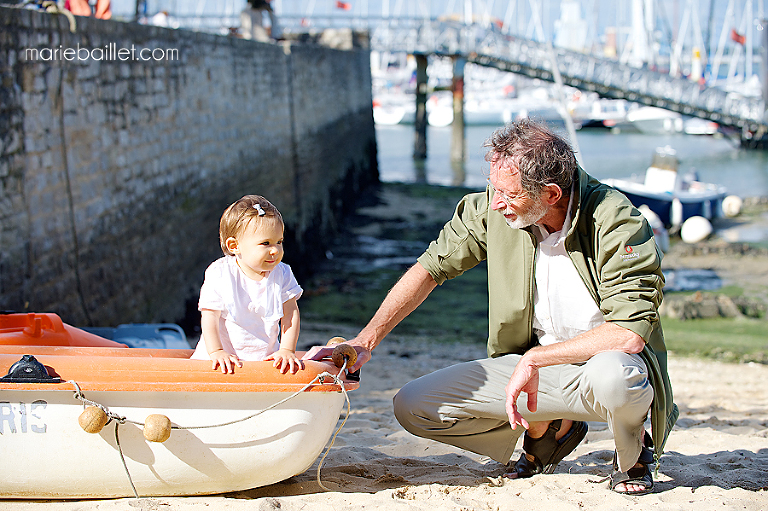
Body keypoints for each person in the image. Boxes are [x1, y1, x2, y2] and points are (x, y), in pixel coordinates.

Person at [304, 119, 677, 495]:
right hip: (534, 373)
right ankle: (549, 428)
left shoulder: (616, 220)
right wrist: (367, 340)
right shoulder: (494, 208)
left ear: (550, 194)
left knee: (617, 376)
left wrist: (534, 359)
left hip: (603, 368)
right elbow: (430, 269)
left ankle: (633, 455)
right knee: (413, 406)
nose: (496, 203)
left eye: (508, 194)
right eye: (493, 188)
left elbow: (627, 334)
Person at [191, 195, 303, 375]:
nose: (275, 250)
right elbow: (209, 317)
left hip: (263, 361)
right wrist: (217, 351)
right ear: (235, 246)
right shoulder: (220, 273)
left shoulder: (282, 273)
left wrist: (287, 350)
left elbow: (291, 313)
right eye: (265, 243)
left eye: (279, 242)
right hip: (220, 361)